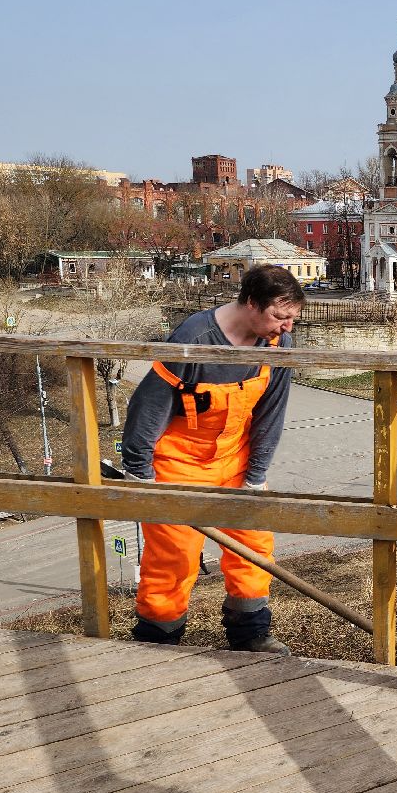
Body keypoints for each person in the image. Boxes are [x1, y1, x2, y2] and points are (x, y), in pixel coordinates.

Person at [121, 264, 306, 655]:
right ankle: (158, 638)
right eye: (279, 316)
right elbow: (149, 407)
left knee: (253, 546)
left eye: (292, 319)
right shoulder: (193, 339)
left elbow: (271, 413)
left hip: (235, 460)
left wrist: (256, 476)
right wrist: (140, 473)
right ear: (251, 303)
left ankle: (250, 633)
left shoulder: (277, 347)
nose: (285, 327)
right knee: (174, 556)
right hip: (178, 464)